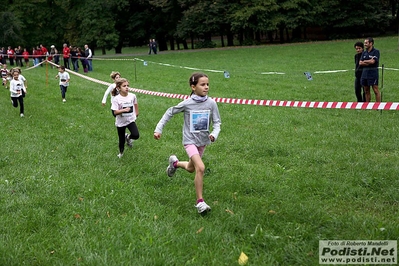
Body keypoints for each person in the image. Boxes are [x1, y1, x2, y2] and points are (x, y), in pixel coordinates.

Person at [153, 72, 221, 214]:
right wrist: (158, 129)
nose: (206, 87)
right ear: (193, 86)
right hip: (189, 141)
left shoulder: (211, 103)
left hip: (202, 141)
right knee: (200, 168)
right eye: (202, 84)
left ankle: (175, 164)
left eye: (207, 84)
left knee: (191, 168)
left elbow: (217, 123)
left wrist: (214, 134)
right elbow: (169, 112)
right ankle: (200, 203)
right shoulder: (187, 103)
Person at [111, 78, 140, 158]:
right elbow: (115, 112)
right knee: (121, 140)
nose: (127, 87)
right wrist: (123, 110)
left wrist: (136, 112)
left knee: (136, 135)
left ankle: (128, 137)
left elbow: (135, 103)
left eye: (127, 85)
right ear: (118, 88)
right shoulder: (116, 99)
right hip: (121, 122)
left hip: (130, 120)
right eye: (124, 86)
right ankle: (121, 153)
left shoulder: (132, 96)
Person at [359, 37, 381, 102]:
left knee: (375, 90)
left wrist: (365, 61)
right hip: (364, 74)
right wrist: (368, 61)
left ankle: (378, 106)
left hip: (373, 74)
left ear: (371, 43)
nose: (365, 44)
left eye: (366, 43)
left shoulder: (376, 52)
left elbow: (373, 62)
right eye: (364, 43)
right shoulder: (364, 53)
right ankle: (368, 105)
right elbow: (360, 63)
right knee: (366, 90)